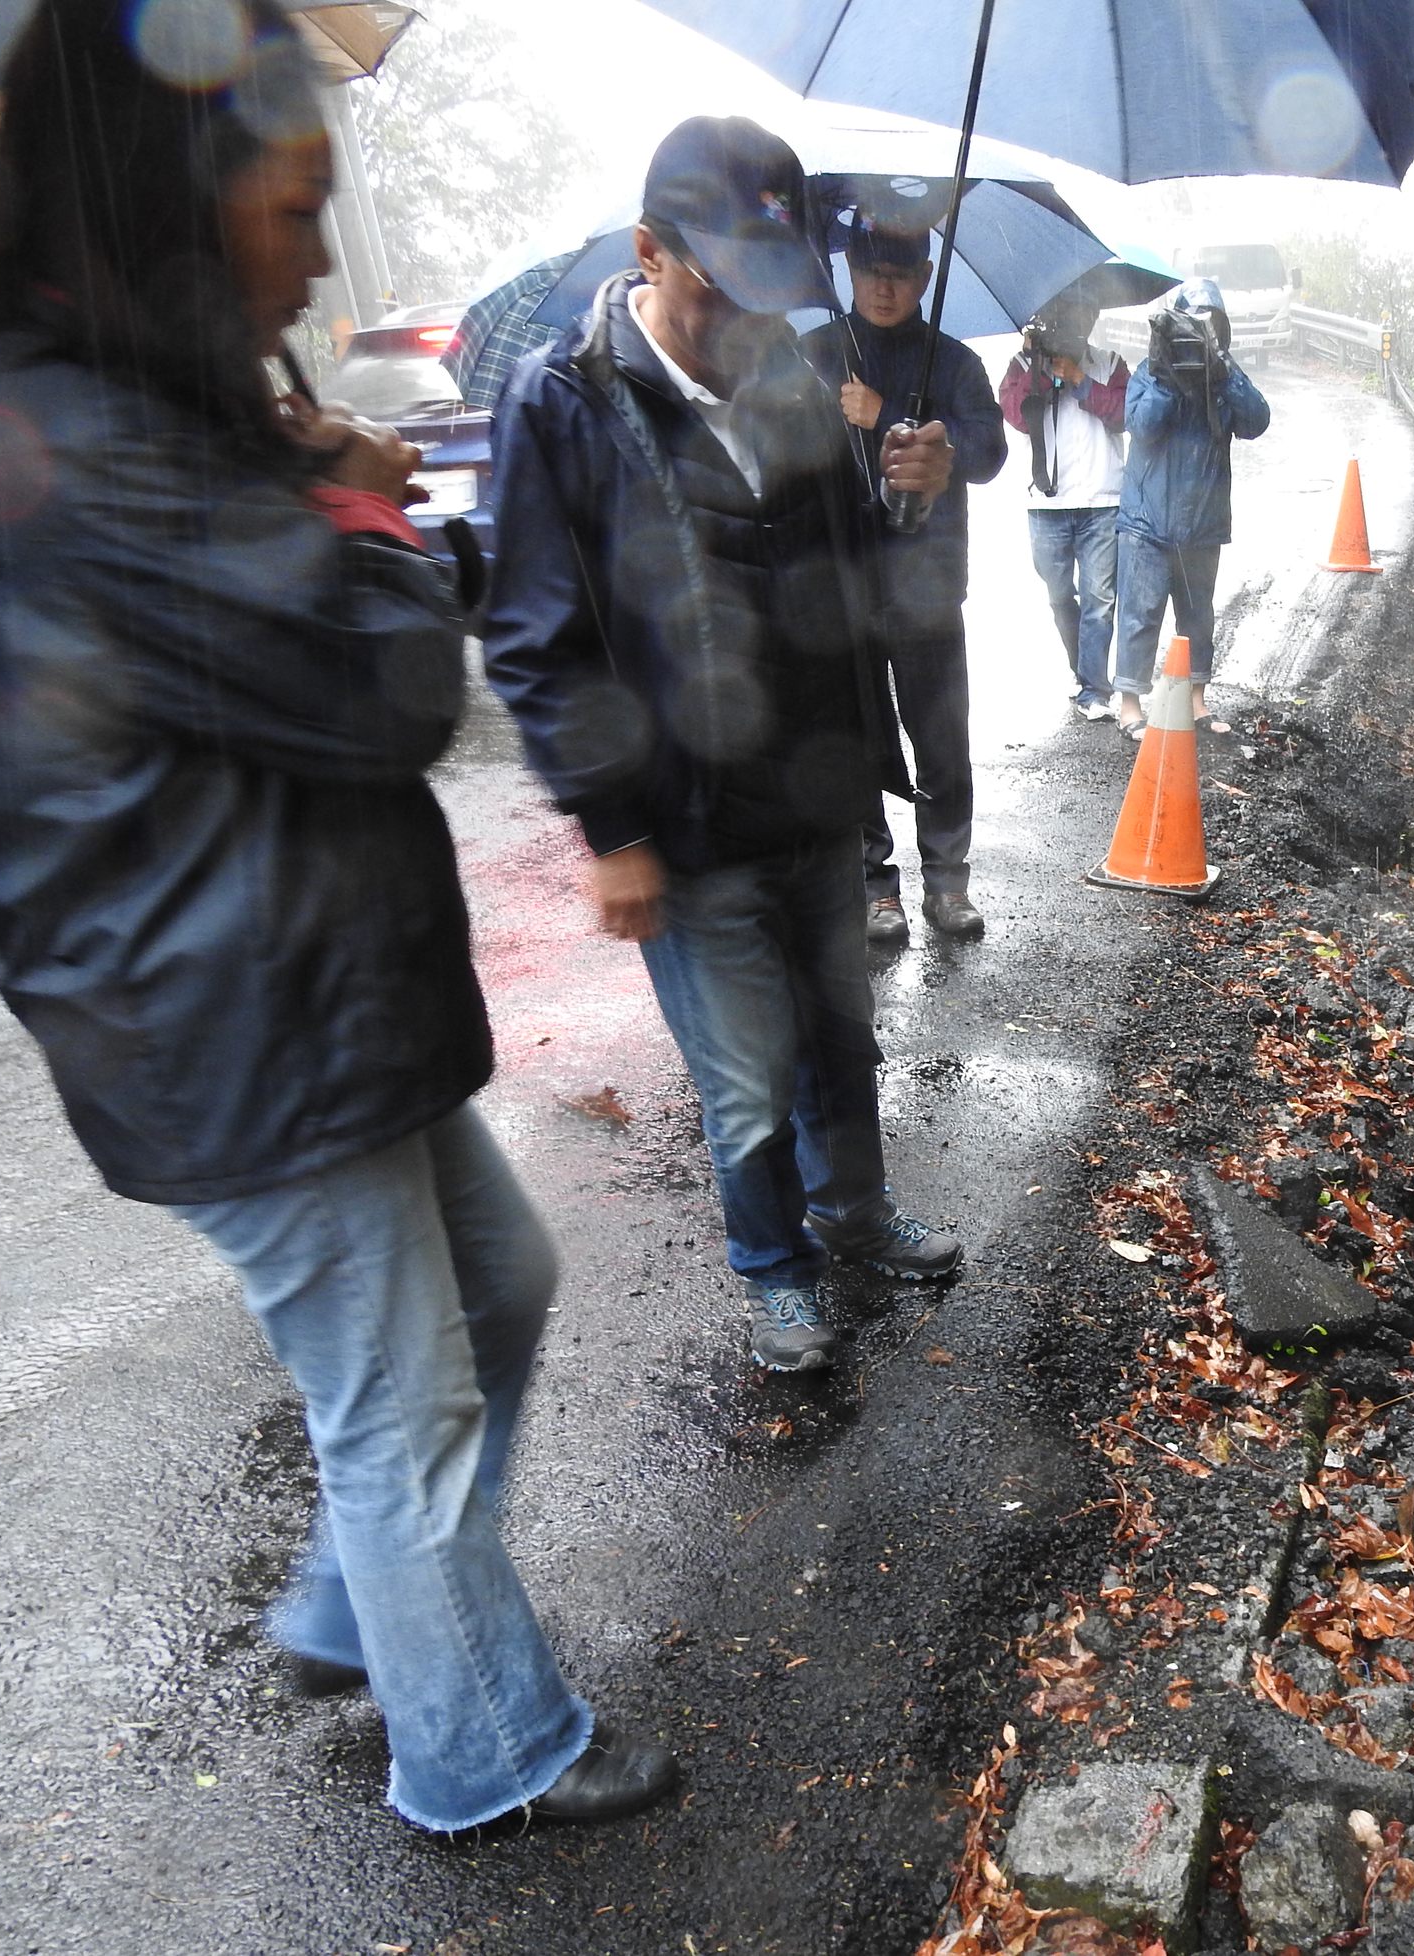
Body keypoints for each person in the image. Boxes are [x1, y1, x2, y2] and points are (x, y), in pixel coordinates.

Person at [0, 0, 673, 1830]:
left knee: (493, 1287)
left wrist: (291, 477)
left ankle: (366, 1612)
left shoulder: (140, 394)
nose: (308, 258)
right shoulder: (59, 428)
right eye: (290, 207)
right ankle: (485, 1748)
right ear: (175, 205)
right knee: (397, 1412)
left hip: (290, 982)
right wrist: (357, 506)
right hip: (230, 1013)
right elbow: (376, 690)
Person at [483, 119, 966, 1380]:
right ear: (651, 252)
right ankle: (776, 1272)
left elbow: (848, 572)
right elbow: (537, 642)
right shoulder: (566, 402)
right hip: (685, 821)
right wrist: (615, 832)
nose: (752, 311)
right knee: (746, 1077)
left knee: (840, 1042)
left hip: (812, 792)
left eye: (770, 280)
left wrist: (909, 486)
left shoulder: (794, 381)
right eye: (721, 279)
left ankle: (853, 1214)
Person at [803, 218, 1008, 943]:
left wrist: (887, 416)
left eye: (900, 272)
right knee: (856, 738)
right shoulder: (816, 355)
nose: (883, 287)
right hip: (842, 588)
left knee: (941, 737)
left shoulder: (951, 362)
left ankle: (948, 883)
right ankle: (874, 885)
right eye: (869, 271)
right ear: (849, 272)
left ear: (925, 276)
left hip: (929, 585)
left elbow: (988, 454)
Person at [1110, 278, 1271, 738]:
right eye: (1191, 325)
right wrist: (1167, 377)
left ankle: (1197, 703)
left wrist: (1223, 370)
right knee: (1140, 614)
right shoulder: (1150, 372)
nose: (1198, 335)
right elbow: (1141, 426)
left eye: (1209, 325)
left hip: (1202, 522)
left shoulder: (1224, 377)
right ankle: (1130, 706)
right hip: (1147, 521)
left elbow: (1257, 421)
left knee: (1198, 616)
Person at [998, 292, 1129, 724]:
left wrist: (1077, 379)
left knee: (1099, 599)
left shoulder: (1109, 362)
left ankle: (1094, 689)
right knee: (1060, 594)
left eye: (1085, 312)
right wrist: (1035, 366)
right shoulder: (1022, 366)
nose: (1076, 321)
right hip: (1046, 505)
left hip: (1102, 499)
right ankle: (1083, 668)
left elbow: (1124, 414)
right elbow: (1017, 416)